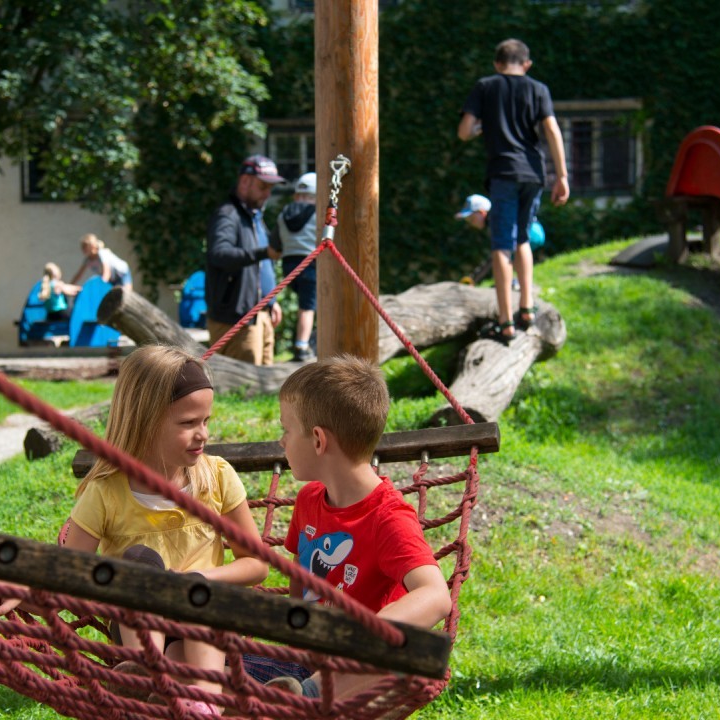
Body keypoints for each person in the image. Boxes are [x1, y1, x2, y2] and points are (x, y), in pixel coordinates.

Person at [0, 345, 269, 717]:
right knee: (139, 563)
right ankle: (152, 675)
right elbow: (69, 573)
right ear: (145, 420)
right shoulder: (107, 492)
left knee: (196, 608)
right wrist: (29, 589)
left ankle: (204, 701)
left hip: (210, 617)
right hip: (137, 625)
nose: (202, 434)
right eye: (188, 423)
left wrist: (196, 579)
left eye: (206, 420)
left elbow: (256, 564)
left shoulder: (217, 477)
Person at [257, 355, 452, 700]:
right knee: (208, 664)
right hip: (301, 662)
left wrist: (365, 636)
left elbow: (436, 596)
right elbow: (300, 586)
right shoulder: (309, 499)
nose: (282, 442)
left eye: (286, 431)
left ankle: (310, 697)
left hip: (356, 673)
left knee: (401, 657)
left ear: (318, 440)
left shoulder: (388, 518)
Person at [458, 38, 570, 342]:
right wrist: (562, 175)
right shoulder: (538, 89)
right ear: (527, 64)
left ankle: (506, 321)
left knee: (501, 246)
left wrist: (483, 127)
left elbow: (464, 131)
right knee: (522, 238)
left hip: (503, 173)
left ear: (497, 63)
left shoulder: (485, 86)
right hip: (533, 173)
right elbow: (552, 131)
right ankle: (527, 308)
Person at [205, 155, 284, 365]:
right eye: (263, 186)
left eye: (270, 188)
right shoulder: (227, 215)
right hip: (236, 320)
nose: (267, 193)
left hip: (260, 316)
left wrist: (271, 301)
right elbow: (219, 254)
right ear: (245, 182)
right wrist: (263, 253)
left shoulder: (254, 216)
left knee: (265, 388)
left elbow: (262, 267)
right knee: (242, 392)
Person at [277, 171, 319, 362]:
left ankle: (305, 341)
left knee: (305, 304)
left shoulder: (284, 214)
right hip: (310, 263)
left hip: (289, 264)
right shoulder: (318, 214)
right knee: (307, 307)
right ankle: (302, 345)